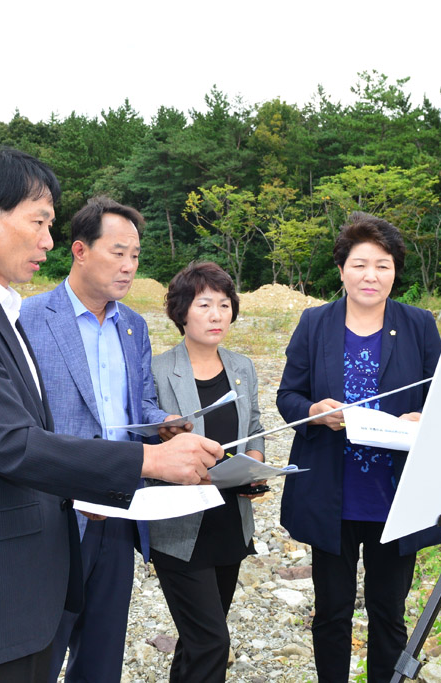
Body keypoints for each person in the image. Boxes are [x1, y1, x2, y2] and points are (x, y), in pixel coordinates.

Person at [0, 146, 220, 683]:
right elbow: (14, 444)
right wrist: (151, 462)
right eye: (39, 222)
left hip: (25, 585)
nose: (48, 240)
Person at [20, 196, 186, 682]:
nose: (129, 267)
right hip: (55, 512)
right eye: (118, 253)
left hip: (119, 508)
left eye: (135, 256)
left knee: (101, 654)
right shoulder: (29, 318)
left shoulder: (132, 325)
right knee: (38, 652)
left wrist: (162, 423)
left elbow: (140, 403)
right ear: (80, 250)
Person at [276, 212, 441, 682]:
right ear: (342, 269)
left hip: (394, 495)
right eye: (361, 264)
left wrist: (424, 418)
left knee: (388, 613)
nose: (371, 275)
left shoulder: (418, 325)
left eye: (383, 265)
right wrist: (313, 413)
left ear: (396, 271)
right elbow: (288, 395)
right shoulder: (315, 323)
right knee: (331, 611)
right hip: (333, 493)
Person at [149, 261, 267, 683]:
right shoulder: (158, 369)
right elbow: (143, 436)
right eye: (204, 304)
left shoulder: (242, 367)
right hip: (179, 528)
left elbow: (254, 426)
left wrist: (255, 464)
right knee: (212, 641)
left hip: (229, 520)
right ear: (182, 311)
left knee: (196, 638)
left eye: (224, 304)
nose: (217, 314)